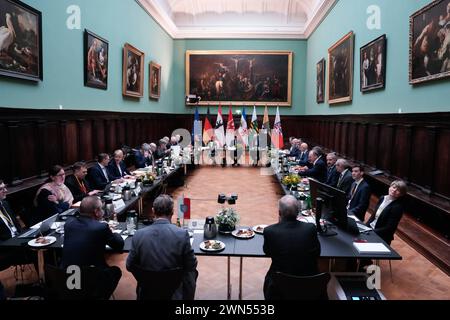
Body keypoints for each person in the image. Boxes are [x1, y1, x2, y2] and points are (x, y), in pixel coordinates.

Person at [126, 195, 198, 300]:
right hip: (173, 287)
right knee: (192, 272)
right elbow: (192, 264)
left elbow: (129, 265)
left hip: (147, 288)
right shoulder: (182, 234)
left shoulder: (138, 235)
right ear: (172, 212)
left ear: (153, 211)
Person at [61, 196, 123, 299]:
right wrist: (112, 232)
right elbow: (118, 245)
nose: (103, 211)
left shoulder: (69, 224)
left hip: (68, 277)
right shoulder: (100, 227)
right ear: (96, 211)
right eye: (101, 208)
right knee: (116, 271)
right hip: (91, 277)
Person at [263, 195, 321, 300]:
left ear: (279, 213)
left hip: (279, 286)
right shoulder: (310, 229)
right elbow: (317, 253)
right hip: (309, 285)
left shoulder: (269, 231)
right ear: (298, 212)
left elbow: (267, 252)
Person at [366, 180, 407, 244]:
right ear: (390, 187)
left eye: (398, 190)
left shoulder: (397, 208)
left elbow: (389, 227)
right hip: (372, 229)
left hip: (381, 236)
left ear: (401, 194)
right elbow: (373, 216)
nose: (394, 190)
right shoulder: (382, 198)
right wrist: (365, 226)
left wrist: (371, 232)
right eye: (393, 187)